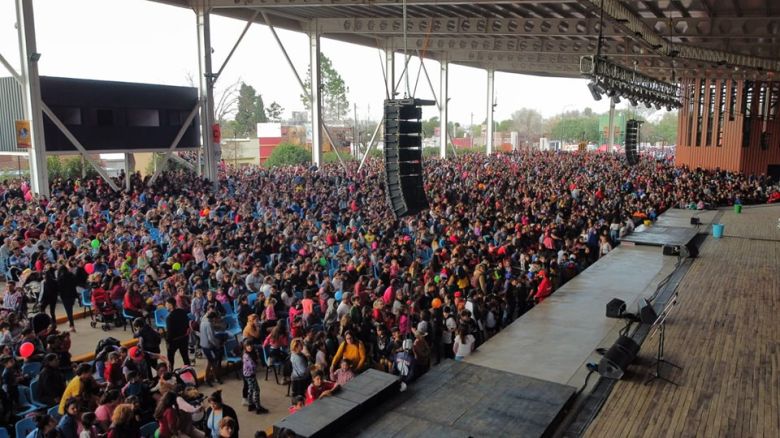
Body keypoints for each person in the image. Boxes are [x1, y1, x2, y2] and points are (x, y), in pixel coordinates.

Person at [241, 339, 268, 414]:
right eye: (247, 346)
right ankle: (258, 407)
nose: (250, 347)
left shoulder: (247, 354)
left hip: (247, 374)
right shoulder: (247, 356)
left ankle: (250, 405)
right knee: (256, 390)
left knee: (250, 389)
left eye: (250, 345)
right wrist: (257, 364)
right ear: (245, 347)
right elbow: (252, 365)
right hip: (250, 375)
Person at [165, 297, 191, 368]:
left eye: (166, 304)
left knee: (170, 359)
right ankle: (189, 371)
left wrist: (167, 342)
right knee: (185, 357)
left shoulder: (169, 317)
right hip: (184, 338)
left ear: (170, 305)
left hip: (174, 341)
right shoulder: (182, 311)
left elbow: (169, 333)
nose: (165, 306)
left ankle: (170, 374)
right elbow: (187, 323)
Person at [200, 311, 224, 386]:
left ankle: (213, 377)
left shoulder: (203, 321)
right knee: (212, 363)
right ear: (213, 318)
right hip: (208, 346)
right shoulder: (209, 324)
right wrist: (217, 344)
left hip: (204, 344)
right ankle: (209, 378)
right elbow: (211, 338)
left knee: (210, 362)